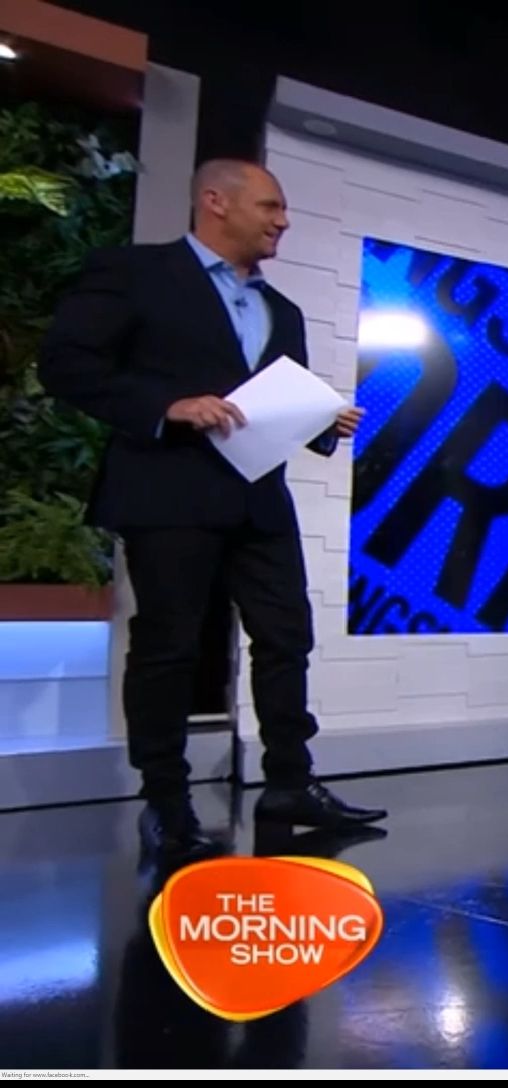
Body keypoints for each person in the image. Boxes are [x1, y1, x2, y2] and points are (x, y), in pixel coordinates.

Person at [39, 158, 387, 865]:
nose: (283, 221)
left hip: (258, 498)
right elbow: (66, 365)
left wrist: (323, 424)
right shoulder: (135, 273)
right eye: (271, 206)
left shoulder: (283, 310)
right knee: (169, 646)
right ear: (215, 201)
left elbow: (275, 405)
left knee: (286, 637)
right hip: (167, 490)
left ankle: (290, 782)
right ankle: (166, 803)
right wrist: (166, 406)